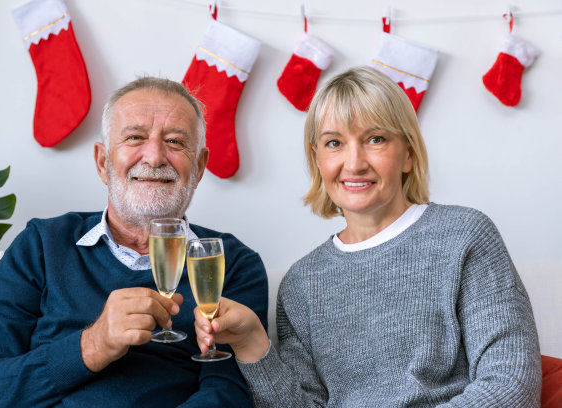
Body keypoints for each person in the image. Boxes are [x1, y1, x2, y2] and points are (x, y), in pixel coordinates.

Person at [194, 66, 542, 407]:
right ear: (317, 160)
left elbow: (511, 384)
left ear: (407, 153)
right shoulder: (302, 282)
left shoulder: (466, 236)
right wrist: (253, 341)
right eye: (334, 143)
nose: (355, 162)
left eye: (375, 139)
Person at [0, 77, 268, 407]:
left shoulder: (231, 263)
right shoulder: (41, 245)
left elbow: (227, 395)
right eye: (135, 137)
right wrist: (92, 346)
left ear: (200, 166)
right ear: (103, 162)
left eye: (175, 141)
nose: (155, 156)